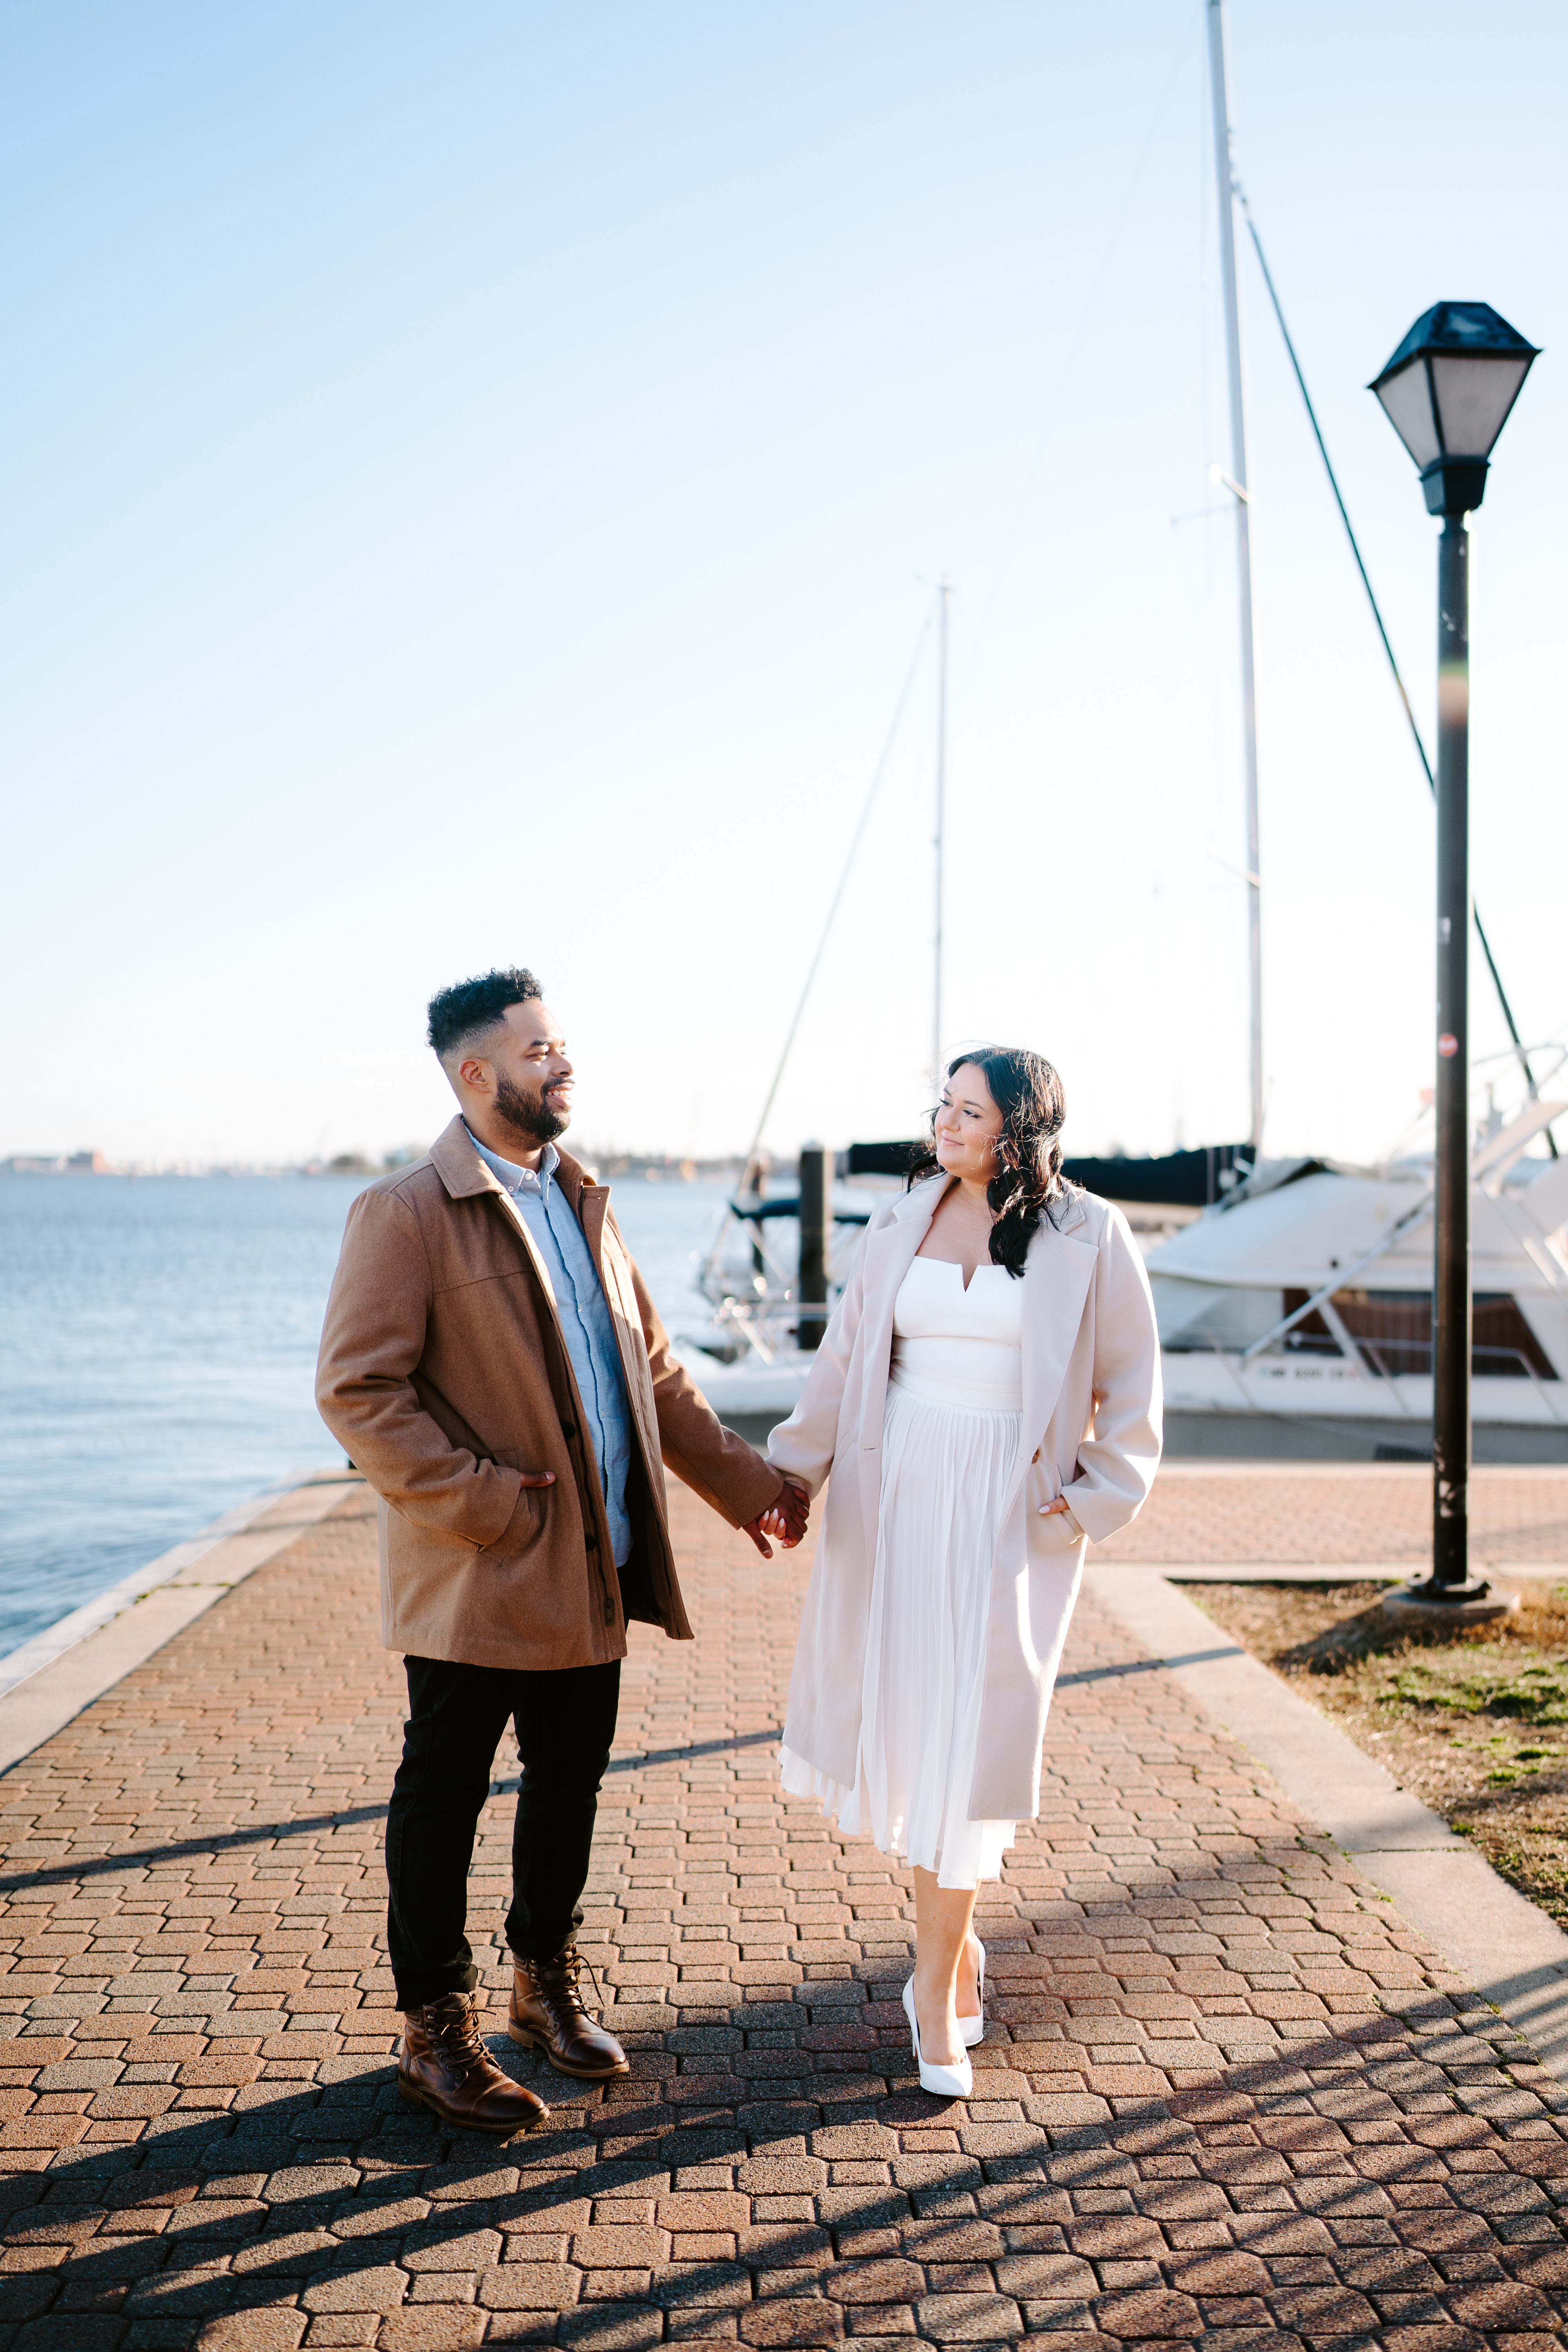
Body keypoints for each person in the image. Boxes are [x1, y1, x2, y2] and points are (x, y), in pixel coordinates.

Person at [317, 968, 807, 2135]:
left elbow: (656, 1374)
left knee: (570, 1785)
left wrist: (748, 1488)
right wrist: (486, 1504)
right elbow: (357, 1392)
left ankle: (544, 1985)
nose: (563, 1064)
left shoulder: (584, 1197)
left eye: (562, 1046)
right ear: (476, 1074)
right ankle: (434, 2029)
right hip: (480, 1570)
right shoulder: (406, 1213)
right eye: (539, 1051)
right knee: (443, 1797)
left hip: (598, 1564)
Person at [767, 1047, 1160, 2096]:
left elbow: (1131, 1389)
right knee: (919, 1732)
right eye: (941, 1103)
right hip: (898, 1496)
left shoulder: (1091, 1233)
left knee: (971, 1741)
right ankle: (953, 1955)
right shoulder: (899, 1220)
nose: (944, 1121)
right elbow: (846, 1359)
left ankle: (933, 1989)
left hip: (1011, 1511)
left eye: (968, 1109)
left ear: (1020, 1128)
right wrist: (789, 1476)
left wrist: (1093, 1500)